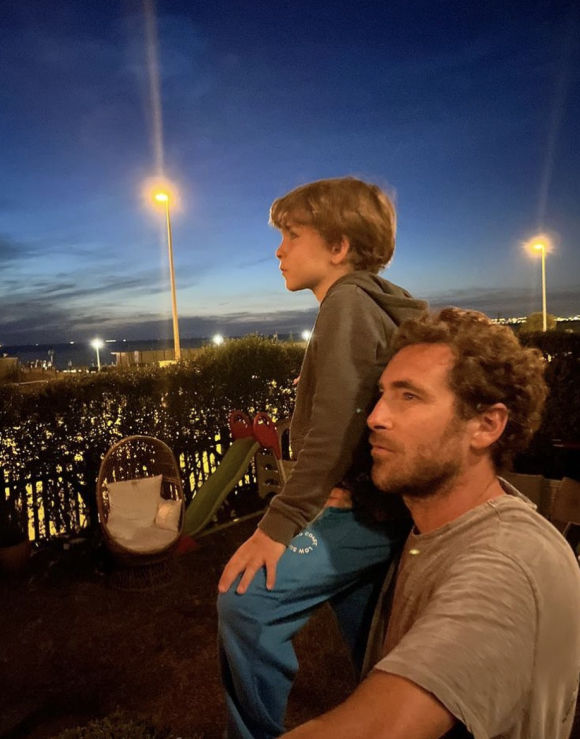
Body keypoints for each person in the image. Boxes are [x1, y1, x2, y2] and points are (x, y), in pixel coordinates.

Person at [282, 307, 580, 739]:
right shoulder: (436, 528)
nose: (375, 416)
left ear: (486, 425)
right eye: (382, 394)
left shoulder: (508, 564)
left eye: (409, 396)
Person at [217, 176, 427, 739]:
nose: (279, 250)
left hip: (358, 514)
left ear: (337, 247)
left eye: (291, 235)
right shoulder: (367, 305)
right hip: (375, 507)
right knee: (374, 648)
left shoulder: (347, 303)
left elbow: (335, 427)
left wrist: (277, 527)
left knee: (245, 602)